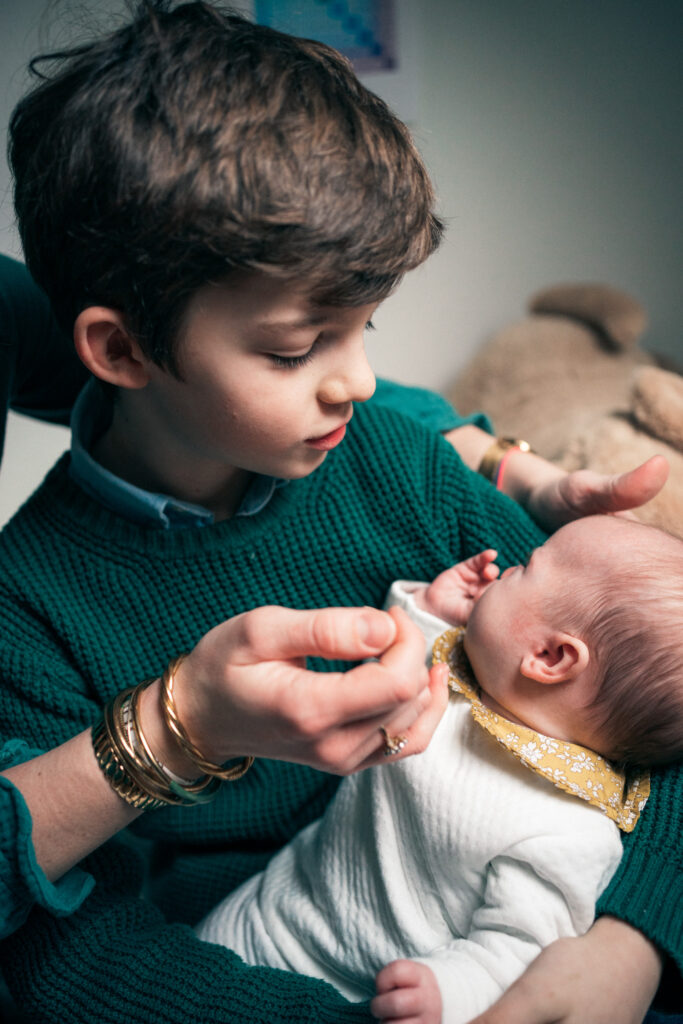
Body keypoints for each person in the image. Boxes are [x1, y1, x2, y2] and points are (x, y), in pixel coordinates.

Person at [0, 4, 677, 1023]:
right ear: (123, 350)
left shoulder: (398, 465)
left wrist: (634, 942)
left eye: (367, 327)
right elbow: (65, 951)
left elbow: (644, 676)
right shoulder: (33, 607)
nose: (358, 382)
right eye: (292, 348)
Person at [196, 515, 683, 1024]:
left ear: (549, 655)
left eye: (525, 567)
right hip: (268, 910)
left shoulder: (571, 831)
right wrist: (427, 610)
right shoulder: (459, 685)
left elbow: (520, 950)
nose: (507, 566)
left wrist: (448, 992)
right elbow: (391, 676)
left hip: (360, 991)